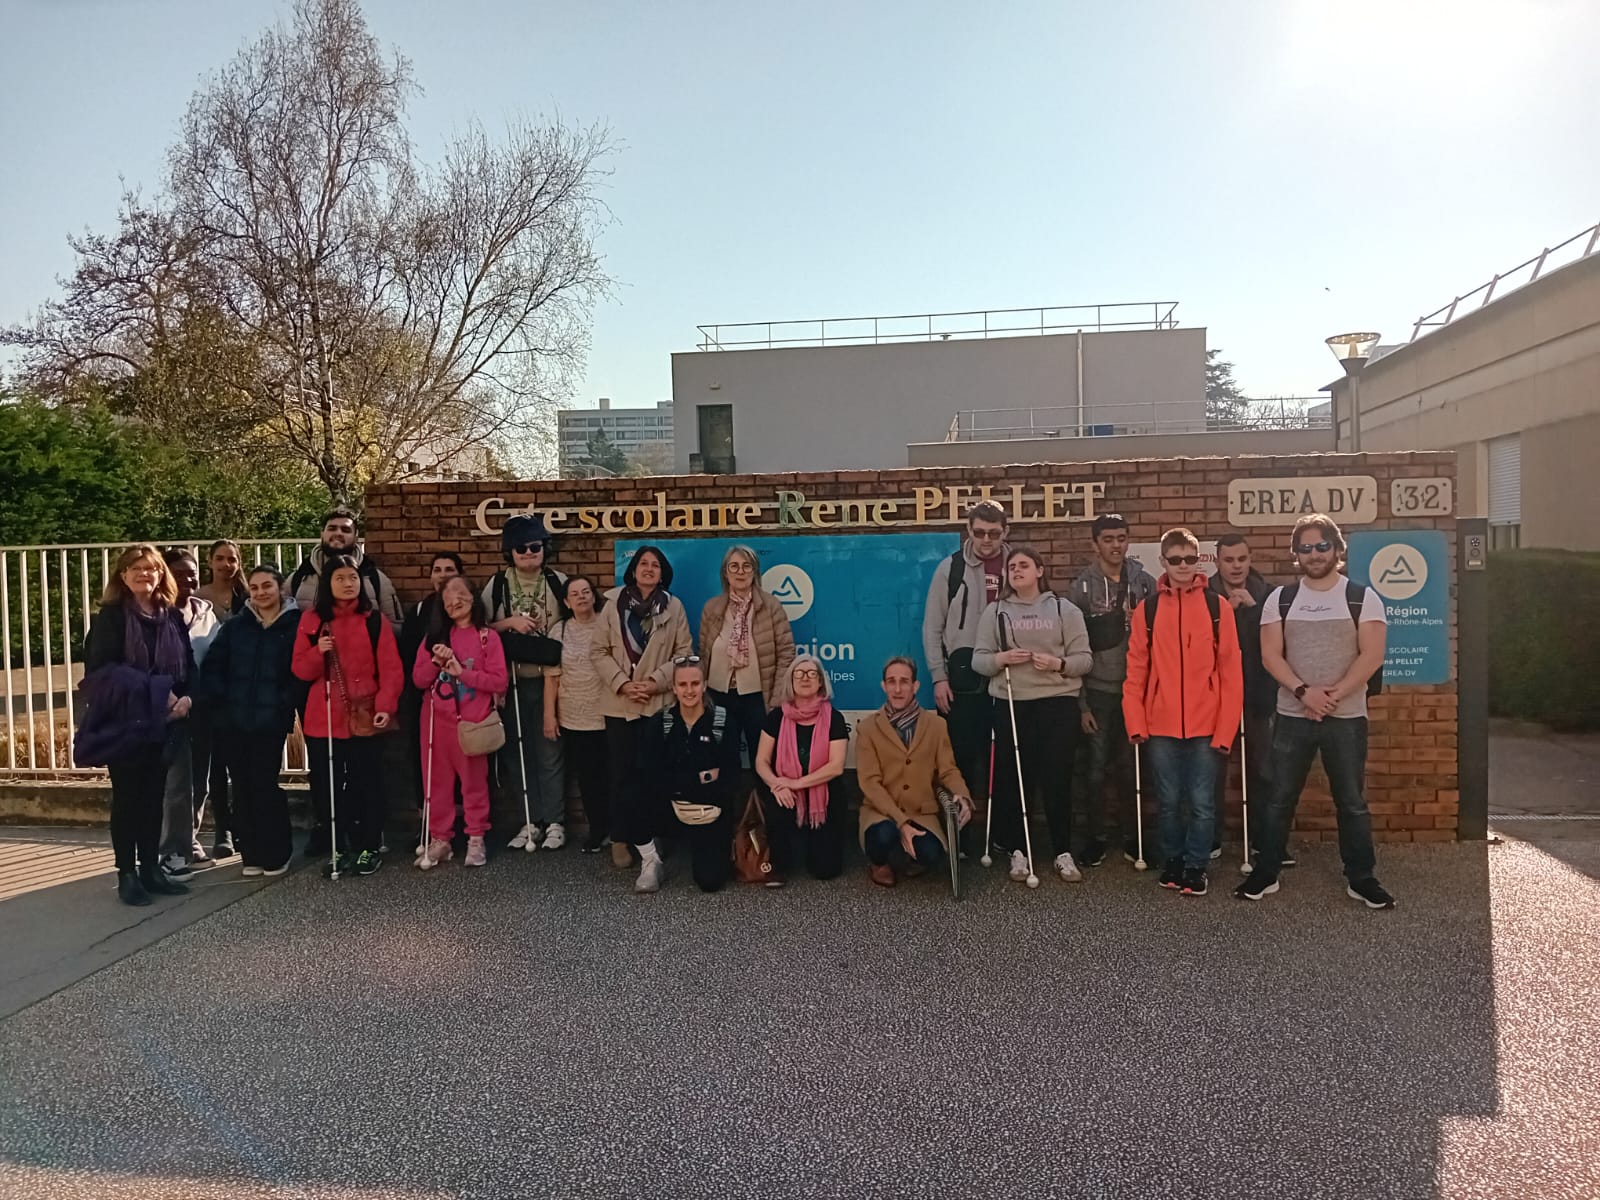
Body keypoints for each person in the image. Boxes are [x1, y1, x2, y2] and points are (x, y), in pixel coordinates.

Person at [1237, 515, 1394, 908]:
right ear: (1296, 555)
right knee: (1278, 797)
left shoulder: (1362, 597)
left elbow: (1372, 655)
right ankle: (1266, 871)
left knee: (1351, 801)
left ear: (1338, 551)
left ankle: (1362, 878)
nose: (1314, 554)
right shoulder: (1280, 600)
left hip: (1347, 717)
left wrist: (1333, 696)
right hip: (1293, 715)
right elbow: (1270, 655)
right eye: (1305, 548)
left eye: (1322, 546)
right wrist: (1305, 693)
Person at [1123, 527, 1244, 897]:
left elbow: (1230, 673)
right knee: (1169, 801)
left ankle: (1196, 866)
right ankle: (1173, 860)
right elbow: (1136, 671)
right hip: (1160, 725)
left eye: (1190, 559)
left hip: (1207, 725)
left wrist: (1226, 730)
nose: (1183, 566)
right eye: (1175, 560)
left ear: (1198, 561)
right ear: (1163, 562)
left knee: (1204, 803)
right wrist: (1136, 722)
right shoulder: (1149, 608)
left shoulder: (1216, 606)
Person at [78, 545, 196, 906]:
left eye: (151, 569)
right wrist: (162, 694)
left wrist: (188, 698)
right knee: (128, 800)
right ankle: (126, 874)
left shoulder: (171, 616)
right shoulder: (111, 618)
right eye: (136, 569)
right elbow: (103, 671)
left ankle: (151, 869)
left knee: (153, 799)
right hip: (127, 721)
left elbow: (187, 665)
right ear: (123, 575)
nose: (144, 574)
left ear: (162, 574)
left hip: (167, 723)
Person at [972, 548, 1093, 885]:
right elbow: (978, 660)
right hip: (1012, 703)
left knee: (1057, 779)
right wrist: (1001, 659)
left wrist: (1058, 664)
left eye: (1024, 565)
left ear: (1040, 570)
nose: (1017, 571)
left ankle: (1061, 851)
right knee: (1013, 780)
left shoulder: (1063, 609)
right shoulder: (995, 611)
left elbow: (1085, 659)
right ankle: (1018, 851)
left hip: (1057, 704)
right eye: (1012, 567)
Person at [291, 553, 404, 877]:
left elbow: (391, 668)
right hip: (323, 717)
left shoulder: (373, 619)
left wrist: (385, 706)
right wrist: (318, 652)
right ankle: (338, 846)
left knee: (367, 782)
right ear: (328, 583)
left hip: (365, 714)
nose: (347, 583)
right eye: (340, 578)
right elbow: (299, 668)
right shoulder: (313, 620)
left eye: (353, 578)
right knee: (327, 786)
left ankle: (368, 844)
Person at [595, 545, 693, 882]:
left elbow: (684, 653)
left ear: (663, 573)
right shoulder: (611, 604)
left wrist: (655, 681)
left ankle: (654, 835)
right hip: (619, 702)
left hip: (656, 702)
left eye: (655, 565)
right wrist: (623, 683)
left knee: (654, 774)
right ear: (633, 569)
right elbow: (598, 651)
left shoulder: (673, 606)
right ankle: (621, 837)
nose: (649, 569)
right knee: (620, 775)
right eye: (643, 564)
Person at [1067, 513, 1158, 868]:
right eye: (1108, 538)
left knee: (1133, 769)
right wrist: (1082, 704)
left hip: (1137, 692)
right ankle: (1096, 838)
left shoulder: (1146, 583)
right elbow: (1070, 647)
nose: (1116, 544)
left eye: (1121, 537)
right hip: (1099, 693)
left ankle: (1135, 838)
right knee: (1094, 770)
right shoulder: (1081, 587)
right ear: (1095, 543)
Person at [202, 565, 300, 876]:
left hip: (270, 721)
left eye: (267, 586)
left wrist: (284, 702)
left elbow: (299, 673)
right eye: (255, 588)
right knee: (242, 787)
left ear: (280, 588)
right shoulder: (234, 628)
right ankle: (252, 854)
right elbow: (212, 668)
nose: (260, 593)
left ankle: (276, 851)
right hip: (233, 721)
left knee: (265, 785)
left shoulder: (295, 626)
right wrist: (224, 701)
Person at [481, 514, 569, 850]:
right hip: (511, 682)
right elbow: (482, 629)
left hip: (550, 681)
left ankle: (556, 820)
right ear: (510, 552)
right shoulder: (498, 584)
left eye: (535, 546)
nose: (529, 552)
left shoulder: (557, 580)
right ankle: (529, 819)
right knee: (517, 753)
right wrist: (511, 623)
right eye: (521, 548)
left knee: (550, 752)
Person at [922, 501, 1010, 826]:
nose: (986, 540)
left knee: (1004, 761)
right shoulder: (951, 568)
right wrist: (938, 678)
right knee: (960, 759)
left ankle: (1002, 833)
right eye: (979, 533)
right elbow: (933, 627)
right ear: (969, 531)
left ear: (1005, 532)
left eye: (994, 533)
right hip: (962, 681)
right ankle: (960, 835)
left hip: (1008, 679)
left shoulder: (1017, 565)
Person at [413, 577, 509, 870]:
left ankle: (476, 837)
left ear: (473, 598)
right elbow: (418, 679)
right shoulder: (434, 639)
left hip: (472, 723)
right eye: (447, 598)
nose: (454, 600)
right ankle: (440, 838)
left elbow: (499, 681)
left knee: (473, 785)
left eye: (461, 593)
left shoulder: (487, 637)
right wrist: (435, 661)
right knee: (436, 785)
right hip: (435, 725)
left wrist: (461, 672)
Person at [856, 657, 973, 888]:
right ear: (883, 686)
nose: (898, 689)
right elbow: (869, 783)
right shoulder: (867, 728)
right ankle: (880, 864)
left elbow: (947, 769)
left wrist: (962, 794)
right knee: (883, 835)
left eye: (904, 681)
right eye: (891, 681)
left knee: (931, 855)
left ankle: (912, 856)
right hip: (882, 813)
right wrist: (901, 823)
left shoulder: (936, 725)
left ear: (915, 686)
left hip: (921, 813)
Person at [1207, 534, 1286, 865]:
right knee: (1211, 774)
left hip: (1258, 697)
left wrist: (1252, 613)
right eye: (1229, 560)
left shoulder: (1268, 595)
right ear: (1217, 562)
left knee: (1263, 772)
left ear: (1250, 559)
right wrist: (1226, 612)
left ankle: (1264, 844)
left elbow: (1277, 644)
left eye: (1242, 559)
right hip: (1215, 701)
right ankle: (1209, 841)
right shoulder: (1205, 595)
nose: (1236, 566)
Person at [636, 658, 743, 893]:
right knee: (629, 795)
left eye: (695, 683)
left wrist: (681, 781)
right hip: (671, 804)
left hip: (710, 808)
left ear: (704, 685)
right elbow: (651, 773)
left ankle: (713, 848)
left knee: (710, 882)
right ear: (674, 688)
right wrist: (700, 778)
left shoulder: (723, 721)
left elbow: (731, 775)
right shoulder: (661, 722)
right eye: (682, 684)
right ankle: (651, 860)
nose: (689, 690)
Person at [754, 655, 851, 883]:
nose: (805, 678)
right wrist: (777, 784)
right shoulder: (776, 717)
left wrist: (796, 783)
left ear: (821, 683)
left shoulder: (834, 719)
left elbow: (836, 767)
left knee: (825, 871)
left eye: (811, 673)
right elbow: (761, 761)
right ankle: (780, 861)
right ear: (790, 681)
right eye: (799, 673)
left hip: (823, 796)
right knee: (777, 805)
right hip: (786, 793)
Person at [158, 548, 224, 876]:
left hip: (203, 707)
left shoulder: (205, 613)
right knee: (178, 783)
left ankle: (190, 840)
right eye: (180, 573)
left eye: (192, 571)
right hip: (173, 709)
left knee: (201, 781)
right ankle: (171, 851)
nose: (189, 578)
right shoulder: (158, 615)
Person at [698, 545, 795, 762]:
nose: (740, 572)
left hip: (758, 698)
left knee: (764, 759)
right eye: (734, 566)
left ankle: (761, 796)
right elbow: (703, 654)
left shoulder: (771, 606)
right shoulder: (712, 608)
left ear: (755, 572)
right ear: (725, 572)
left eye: (746, 566)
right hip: (718, 696)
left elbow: (786, 653)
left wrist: (776, 699)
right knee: (723, 758)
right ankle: (726, 797)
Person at [547, 575, 611, 852]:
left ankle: (620, 833)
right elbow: (551, 677)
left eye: (586, 591)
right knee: (588, 779)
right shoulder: (559, 631)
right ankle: (597, 831)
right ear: (566, 601)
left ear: (594, 596)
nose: (582, 597)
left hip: (609, 714)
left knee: (613, 775)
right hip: (574, 716)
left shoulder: (609, 624)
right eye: (575, 594)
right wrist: (549, 715)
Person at [288, 507, 404, 627]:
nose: (338, 533)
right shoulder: (298, 578)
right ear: (322, 533)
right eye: (332, 528)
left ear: (356, 536)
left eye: (345, 530)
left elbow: (395, 626)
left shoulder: (376, 579)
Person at [196, 539, 247, 618]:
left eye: (232, 560)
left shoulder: (249, 598)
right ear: (210, 562)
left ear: (239, 564)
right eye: (219, 559)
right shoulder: (198, 597)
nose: (226, 564)